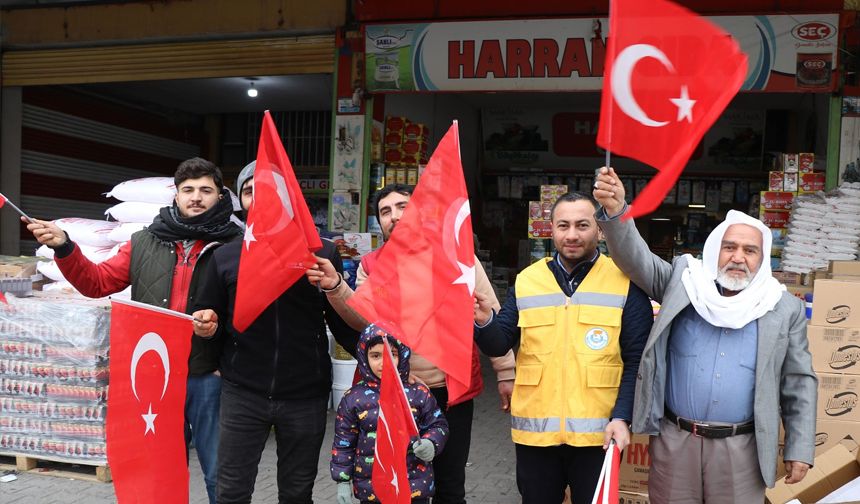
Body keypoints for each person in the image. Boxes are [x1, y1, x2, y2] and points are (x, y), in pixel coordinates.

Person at [592, 166, 816, 503]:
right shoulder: (685, 284)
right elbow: (637, 261)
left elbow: (799, 382)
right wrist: (617, 211)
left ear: (762, 258)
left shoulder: (783, 309)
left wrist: (799, 447)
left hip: (741, 451)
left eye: (749, 250)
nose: (737, 258)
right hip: (675, 443)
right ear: (715, 251)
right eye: (729, 247)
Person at [26, 157, 241, 504]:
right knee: (158, 470)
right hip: (158, 378)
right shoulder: (144, 242)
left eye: (206, 190)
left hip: (210, 377)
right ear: (176, 196)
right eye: (188, 190)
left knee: (221, 473)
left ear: (220, 197)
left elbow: (251, 311)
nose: (196, 197)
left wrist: (222, 336)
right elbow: (96, 283)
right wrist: (65, 247)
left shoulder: (236, 245)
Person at [305, 183, 516, 504]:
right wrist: (336, 286)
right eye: (385, 211)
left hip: (451, 392)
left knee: (449, 485)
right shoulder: (371, 266)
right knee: (397, 482)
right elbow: (365, 321)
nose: (395, 216)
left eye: (403, 206)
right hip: (393, 393)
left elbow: (489, 315)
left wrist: (505, 372)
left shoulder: (458, 257)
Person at [191, 161, 359, 504]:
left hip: (306, 394)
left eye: (270, 189)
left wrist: (335, 287)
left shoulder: (321, 252)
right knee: (231, 492)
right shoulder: (224, 257)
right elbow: (209, 320)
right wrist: (206, 329)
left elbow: (344, 323)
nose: (260, 197)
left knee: (297, 494)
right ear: (241, 200)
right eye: (250, 190)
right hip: (243, 392)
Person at [471, 191, 653, 504]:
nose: (571, 235)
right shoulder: (528, 280)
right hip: (536, 436)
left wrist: (623, 417)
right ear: (551, 229)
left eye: (582, 225)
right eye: (563, 225)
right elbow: (500, 342)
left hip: (599, 437)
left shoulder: (625, 282)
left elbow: (637, 361)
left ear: (599, 230)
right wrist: (484, 320)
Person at [331, 323, 449, 504]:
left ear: (402, 355)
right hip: (372, 488)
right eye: (376, 355)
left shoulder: (418, 392)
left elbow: (438, 424)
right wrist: (342, 481)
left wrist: (431, 443)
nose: (384, 362)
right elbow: (343, 443)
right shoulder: (353, 398)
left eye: (391, 354)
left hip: (414, 486)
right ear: (364, 357)